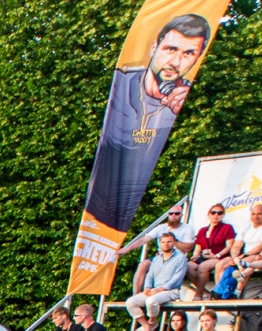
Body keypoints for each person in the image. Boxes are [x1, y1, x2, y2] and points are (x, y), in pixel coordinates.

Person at [83, 15, 209, 233]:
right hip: (97, 214)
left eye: (188, 53)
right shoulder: (122, 85)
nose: (176, 62)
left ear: (198, 58)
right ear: (154, 47)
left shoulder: (194, 104)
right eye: (171, 49)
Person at [123, 233, 189, 331]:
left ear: (174, 243)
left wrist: (160, 289)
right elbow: (150, 275)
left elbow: (177, 277)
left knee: (151, 301)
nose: (166, 244)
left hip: (171, 291)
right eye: (163, 242)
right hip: (154, 290)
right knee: (130, 302)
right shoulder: (156, 258)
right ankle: (146, 325)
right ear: (160, 243)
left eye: (169, 242)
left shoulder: (181, 258)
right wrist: (147, 287)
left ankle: (152, 321)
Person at [190, 203, 239, 291]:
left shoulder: (227, 227)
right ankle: (205, 292)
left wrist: (217, 255)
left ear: (223, 215)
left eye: (219, 213)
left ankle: (199, 293)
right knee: (188, 266)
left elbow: (229, 246)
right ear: (208, 215)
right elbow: (198, 247)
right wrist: (195, 255)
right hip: (204, 257)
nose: (216, 215)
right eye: (213, 213)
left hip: (220, 257)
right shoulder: (202, 230)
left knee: (203, 267)